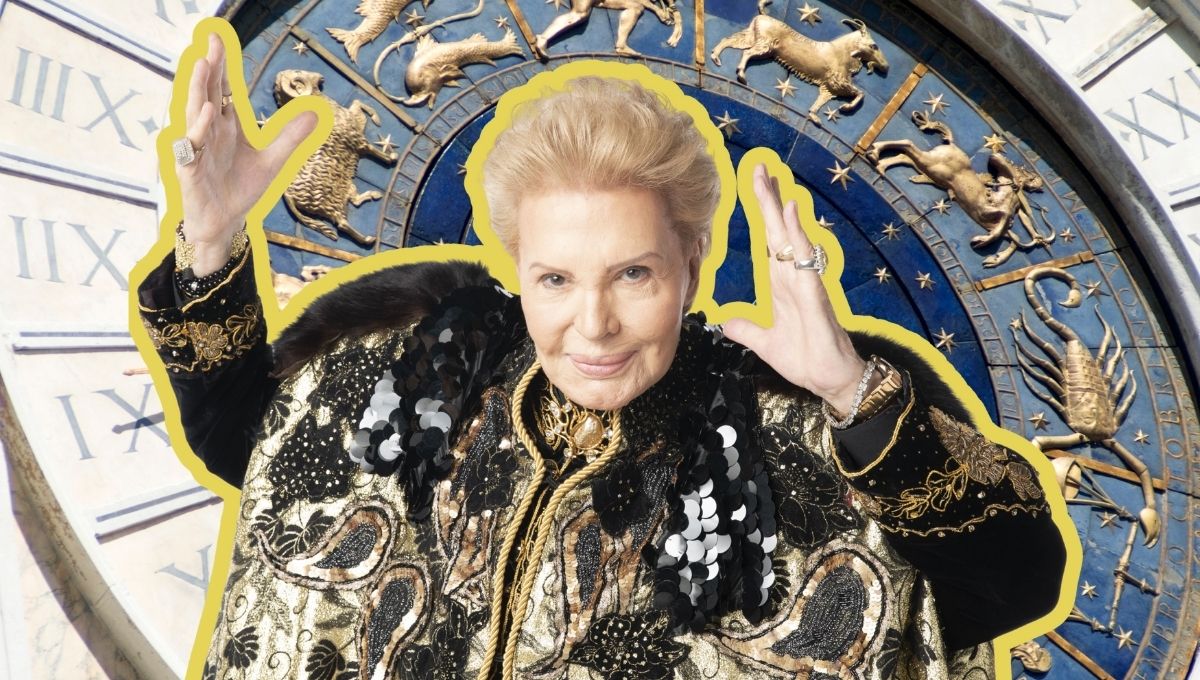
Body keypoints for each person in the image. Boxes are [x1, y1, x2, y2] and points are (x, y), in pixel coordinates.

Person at [136, 28, 1067, 680]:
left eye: (633, 275)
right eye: (555, 279)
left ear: (691, 264)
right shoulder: (432, 366)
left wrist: (849, 387)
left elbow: (1015, 581)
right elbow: (256, 448)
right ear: (517, 270)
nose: (593, 325)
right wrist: (209, 246)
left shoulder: (794, 434)